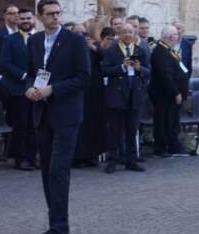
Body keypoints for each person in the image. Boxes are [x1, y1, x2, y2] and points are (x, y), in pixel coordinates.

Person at [27, 0, 91, 234]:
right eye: (50, 13)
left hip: (66, 113)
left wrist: (53, 89)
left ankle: (59, 227)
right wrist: (29, 88)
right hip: (41, 113)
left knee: (59, 169)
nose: (55, 17)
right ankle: (54, 222)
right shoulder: (33, 41)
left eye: (58, 13)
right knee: (46, 170)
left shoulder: (74, 40)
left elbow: (84, 77)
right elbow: (30, 71)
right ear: (40, 16)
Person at [103, 22, 150, 173]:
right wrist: (122, 67)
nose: (128, 35)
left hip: (135, 95)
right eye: (124, 32)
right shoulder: (111, 50)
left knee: (132, 130)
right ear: (119, 34)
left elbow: (149, 71)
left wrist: (139, 69)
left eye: (130, 32)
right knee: (115, 131)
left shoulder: (140, 50)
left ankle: (131, 160)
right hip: (117, 95)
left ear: (134, 34)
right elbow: (104, 70)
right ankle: (113, 160)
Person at [0, 9, 38, 170]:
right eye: (22, 18)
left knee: (35, 124)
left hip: (38, 89)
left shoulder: (41, 39)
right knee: (20, 124)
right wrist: (24, 76)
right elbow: (5, 63)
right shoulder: (10, 40)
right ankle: (19, 158)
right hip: (18, 89)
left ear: (34, 19)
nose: (25, 21)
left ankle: (32, 156)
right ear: (17, 21)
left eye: (28, 18)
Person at [150, 24, 191, 157]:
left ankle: (173, 146)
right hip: (164, 95)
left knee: (171, 122)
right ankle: (160, 149)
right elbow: (165, 75)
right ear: (170, 37)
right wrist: (176, 92)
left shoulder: (167, 50)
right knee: (162, 121)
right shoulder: (160, 52)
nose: (177, 38)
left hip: (169, 95)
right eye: (176, 35)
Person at [73, 26, 110, 167]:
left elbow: (106, 58)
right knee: (79, 127)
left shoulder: (93, 46)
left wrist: (94, 47)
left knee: (94, 124)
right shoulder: (70, 46)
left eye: (84, 33)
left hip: (94, 92)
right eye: (78, 33)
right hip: (78, 92)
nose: (82, 36)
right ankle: (78, 157)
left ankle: (92, 155)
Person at [0, 5, 19, 73]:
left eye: (17, 13)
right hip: (4, 75)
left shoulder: (24, 33)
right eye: (12, 13)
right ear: (5, 16)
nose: (16, 15)